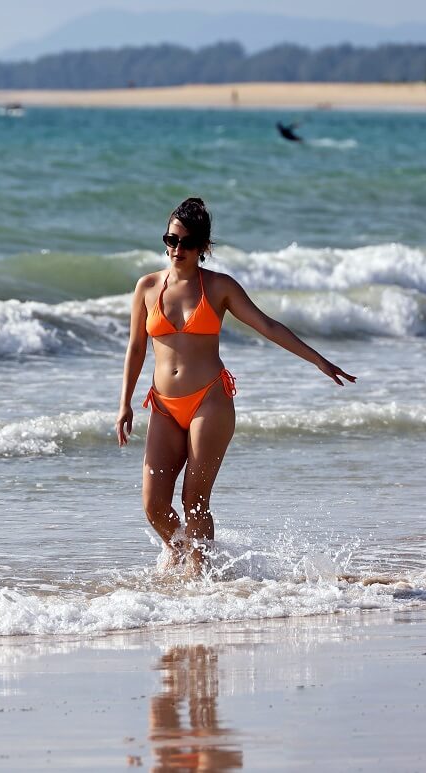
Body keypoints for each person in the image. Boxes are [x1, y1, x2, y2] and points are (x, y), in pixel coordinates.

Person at [116, 198, 355, 576]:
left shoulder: (219, 287)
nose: (178, 250)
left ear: (204, 248)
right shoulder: (146, 287)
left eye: (188, 243)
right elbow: (136, 347)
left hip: (209, 401)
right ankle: (184, 555)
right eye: (172, 239)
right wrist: (125, 404)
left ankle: (204, 582)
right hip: (162, 404)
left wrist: (318, 360)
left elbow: (269, 326)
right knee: (153, 505)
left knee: (195, 500)